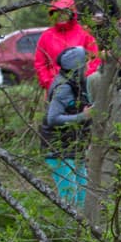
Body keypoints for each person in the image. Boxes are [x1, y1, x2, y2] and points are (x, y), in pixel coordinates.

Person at [40, 46, 92, 206]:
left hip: (74, 147)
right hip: (58, 149)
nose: (89, 67)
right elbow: (53, 118)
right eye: (86, 63)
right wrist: (83, 116)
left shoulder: (78, 85)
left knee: (83, 194)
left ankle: (83, 229)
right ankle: (68, 229)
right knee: (70, 198)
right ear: (77, 67)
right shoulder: (64, 88)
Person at [34, 0, 100, 92]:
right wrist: (49, 83)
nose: (61, 16)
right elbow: (40, 64)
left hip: (82, 87)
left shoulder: (84, 33)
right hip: (56, 87)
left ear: (72, 14)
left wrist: (85, 78)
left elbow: (95, 58)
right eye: (57, 13)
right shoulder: (46, 36)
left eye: (64, 12)